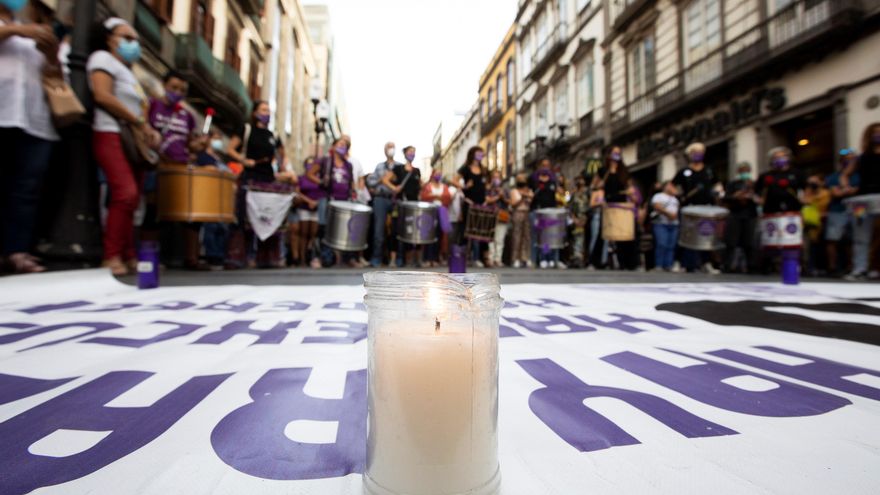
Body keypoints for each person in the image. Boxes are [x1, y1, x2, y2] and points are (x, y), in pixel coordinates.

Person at [88, 18, 160, 276]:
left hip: (132, 139)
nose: (134, 44)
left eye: (136, 40)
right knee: (125, 193)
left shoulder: (129, 73)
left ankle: (129, 254)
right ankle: (111, 254)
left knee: (133, 199)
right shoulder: (102, 59)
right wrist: (137, 121)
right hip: (110, 131)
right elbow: (102, 95)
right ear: (110, 38)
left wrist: (147, 128)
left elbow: (138, 109)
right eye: (127, 38)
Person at [0, 0, 61, 273]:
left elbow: (54, 76)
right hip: (3, 112)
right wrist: (16, 31)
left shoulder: (31, 32)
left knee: (26, 189)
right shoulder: (20, 30)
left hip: (33, 119)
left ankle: (17, 250)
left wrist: (51, 55)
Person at [226, 100, 287, 268]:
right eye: (263, 110)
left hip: (268, 181)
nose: (266, 113)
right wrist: (244, 160)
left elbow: (282, 156)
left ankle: (265, 257)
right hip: (250, 177)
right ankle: (239, 256)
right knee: (244, 216)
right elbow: (230, 149)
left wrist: (283, 169)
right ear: (255, 112)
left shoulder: (273, 136)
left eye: (268, 110)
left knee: (266, 216)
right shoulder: (246, 130)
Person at [754, 146, 806, 273]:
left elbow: (806, 188)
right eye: (776, 157)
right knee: (770, 239)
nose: (779, 159)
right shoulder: (765, 176)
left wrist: (805, 199)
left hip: (792, 212)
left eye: (782, 156)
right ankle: (769, 265)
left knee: (792, 239)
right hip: (770, 213)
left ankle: (796, 264)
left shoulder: (797, 174)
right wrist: (759, 200)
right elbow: (756, 192)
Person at [673, 142, 720, 274]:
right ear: (690, 154)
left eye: (700, 152)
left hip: (706, 209)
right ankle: (678, 262)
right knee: (684, 236)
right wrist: (679, 195)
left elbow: (717, 185)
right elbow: (671, 186)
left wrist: (717, 192)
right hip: (689, 208)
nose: (698, 154)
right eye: (695, 152)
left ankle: (706, 263)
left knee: (706, 236)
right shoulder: (684, 172)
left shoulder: (709, 171)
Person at [191, 129, 231, 269]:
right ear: (208, 139)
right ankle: (212, 256)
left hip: (221, 198)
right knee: (211, 227)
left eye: (220, 138)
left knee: (222, 228)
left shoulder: (218, 158)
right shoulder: (203, 156)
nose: (218, 141)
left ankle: (219, 256)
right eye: (216, 138)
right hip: (208, 197)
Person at [849, 123, 880, 280]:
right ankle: (860, 269)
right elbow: (845, 174)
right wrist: (847, 187)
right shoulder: (861, 157)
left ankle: (875, 267)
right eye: (875, 132)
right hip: (861, 201)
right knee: (860, 235)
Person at [600, 147, 639, 270]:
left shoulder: (624, 172)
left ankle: (629, 263)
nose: (616, 155)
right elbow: (598, 186)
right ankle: (603, 261)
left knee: (625, 234)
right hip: (608, 206)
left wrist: (632, 195)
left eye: (618, 153)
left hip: (622, 206)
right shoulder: (603, 171)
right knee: (607, 234)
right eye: (614, 153)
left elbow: (630, 188)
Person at [383, 145, 422, 267]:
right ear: (405, 153)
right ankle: (393, 259)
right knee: (395, 230)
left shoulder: (417, 171)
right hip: (400, 204)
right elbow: (385, 180)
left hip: (413, 205)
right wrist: (394, 188)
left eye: (414, 152)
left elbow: (419, 187)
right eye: (410, 151)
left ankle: (408, 260)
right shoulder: (398, 168)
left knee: (411, 231)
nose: (412, 154)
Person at [148, 70, 196, 164]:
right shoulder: (151, 104)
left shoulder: (188, 116)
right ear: (164, 85)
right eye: (174, 87)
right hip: (154, 161)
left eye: (183, 90)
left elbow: (189, 143)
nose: (178, 93)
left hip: (179, 165)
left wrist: (195, 148)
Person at [825, 149, 860, 276]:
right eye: (846, 159)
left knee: (855, 239)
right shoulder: (833, 177)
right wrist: (849, 189)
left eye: (851, 159)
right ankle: (832, 267)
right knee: (832, 239)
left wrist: (844, 190)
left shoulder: (859, 176)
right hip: (837, 210)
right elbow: (836, 193)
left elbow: (858, 190)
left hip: (858, 209)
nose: (849, 161)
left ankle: (853, 267)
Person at [366, 142, 399, 267]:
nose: (390, 149)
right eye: (388, 147)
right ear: (384, 150)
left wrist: (393, 179)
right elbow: (370, 182)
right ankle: (376, 258)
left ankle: (396, 259)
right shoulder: (379, 166)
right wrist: (382, 179)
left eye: (392, 147)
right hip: (380, 199)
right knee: (378, 230)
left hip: (395, 200)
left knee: (395, 230)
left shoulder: (399, 166)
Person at [723, 163, 758, 273]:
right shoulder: (733, 184)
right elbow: (726, 198)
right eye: (742, 170)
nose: (744, 172)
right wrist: (736, 196)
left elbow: (760, 198)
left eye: (746, 170)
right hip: (735, 214)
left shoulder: (754, 184)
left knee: (749, 242)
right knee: (731, 242)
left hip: (750, 215)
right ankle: (728, 265)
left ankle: (751, 266)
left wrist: (752, 195)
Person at [456, 146, 488, 267]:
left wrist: (487, 197)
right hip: (469, 203)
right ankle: (463, 257)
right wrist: (464, 187)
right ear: (473, 154)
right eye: (478, 152)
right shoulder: (466, 168)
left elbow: (487, 185)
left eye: (482, 153)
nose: (481, 155)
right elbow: (453, 180)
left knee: (481, 232)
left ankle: (480, 258)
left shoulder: (483, 169)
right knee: (466, 231)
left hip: (482, 204)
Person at [530, 159, 560, 268]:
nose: (545, 167)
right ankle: (537, 259)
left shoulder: (553, 180)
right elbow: (530, 193)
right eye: (543, 165)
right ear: (540, 166)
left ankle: (549, 258)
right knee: (538, 236)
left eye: (547, 165)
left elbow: (557, 193)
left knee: (549, 236)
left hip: (551, 211)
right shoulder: (534, 179)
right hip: (537, 211)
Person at [421, 168, 452, 267]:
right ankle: (427, 258)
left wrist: (434, 195)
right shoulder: (428, 186)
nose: (438, 175)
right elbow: (424, 197)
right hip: (429, 213)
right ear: (432, 174)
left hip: (441, 213)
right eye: (437, 173)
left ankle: (435, 258)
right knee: (428, 235)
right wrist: (437, 196)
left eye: (440, 173)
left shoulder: (444, 186)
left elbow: (448, 198)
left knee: (439, 235)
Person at [294, 158, 322, 268]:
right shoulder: (301, 178)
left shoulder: (319, 179)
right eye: (308, 164)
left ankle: (311, 255)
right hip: (304, 208)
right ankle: (302, 259)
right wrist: (308, 201)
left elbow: (323, 192)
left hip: (316, 208)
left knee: (313, 234)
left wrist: (316, 202)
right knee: (303, 234)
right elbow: (297, 192)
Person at [802, 173, 831, 276]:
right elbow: (804, 201)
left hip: (823, 222)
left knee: (823, 246)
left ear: (822, 182)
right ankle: (809, 268)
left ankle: (823, 268)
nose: (812, 184)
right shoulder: (807, 192)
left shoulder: (826, 193)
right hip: (809, 223)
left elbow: (823, 204)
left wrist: (812, 196)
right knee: (809, 247)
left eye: (815, 182)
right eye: (810, 182)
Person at [651, 181, 680, 271]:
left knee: (671, 246)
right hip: (661, 223)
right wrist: (669, 214)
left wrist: (674, 216)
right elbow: (657, 206)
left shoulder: (675, 199)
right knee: (662, 244)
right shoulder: (658, 196)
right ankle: (659, 265)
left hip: (673, 224)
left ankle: (668, 265)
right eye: (670, 185)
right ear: (665, 186)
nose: (673, 187)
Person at [485, 170, 509, 267]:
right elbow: (487, 200)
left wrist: (503, 196)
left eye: (498, 177)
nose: (496, 179)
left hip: (502, 216)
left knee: (500, 239)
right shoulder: (488, 189)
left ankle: (498, 259)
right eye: (494, 177)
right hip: (490, 215)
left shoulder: (505, 189)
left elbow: (509, 201)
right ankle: (491, 259)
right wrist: (498, 196)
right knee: (490, 239)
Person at [568, 176, 590, 268]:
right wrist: (574, 219)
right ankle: (575, 258)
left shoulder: (587, 195)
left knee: (582, 239)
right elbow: (570, 208)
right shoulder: (574, 195)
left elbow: (589, 208)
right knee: (575, 238)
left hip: (584, 219)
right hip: (576, 219)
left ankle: (581, 258)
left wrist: (585, 219)